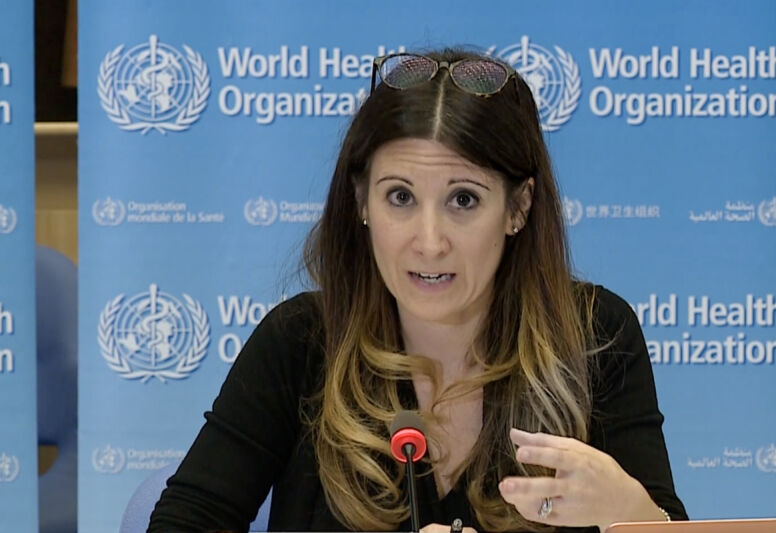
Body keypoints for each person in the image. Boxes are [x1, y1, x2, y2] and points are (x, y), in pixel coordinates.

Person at [148, 49, 687, 532]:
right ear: (361, 202)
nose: (429, 243)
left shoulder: (594, 336)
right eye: (400, 197)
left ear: (518, 208)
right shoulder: (302, 342)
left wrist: (636, 514)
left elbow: (664, 519)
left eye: (464, 201)